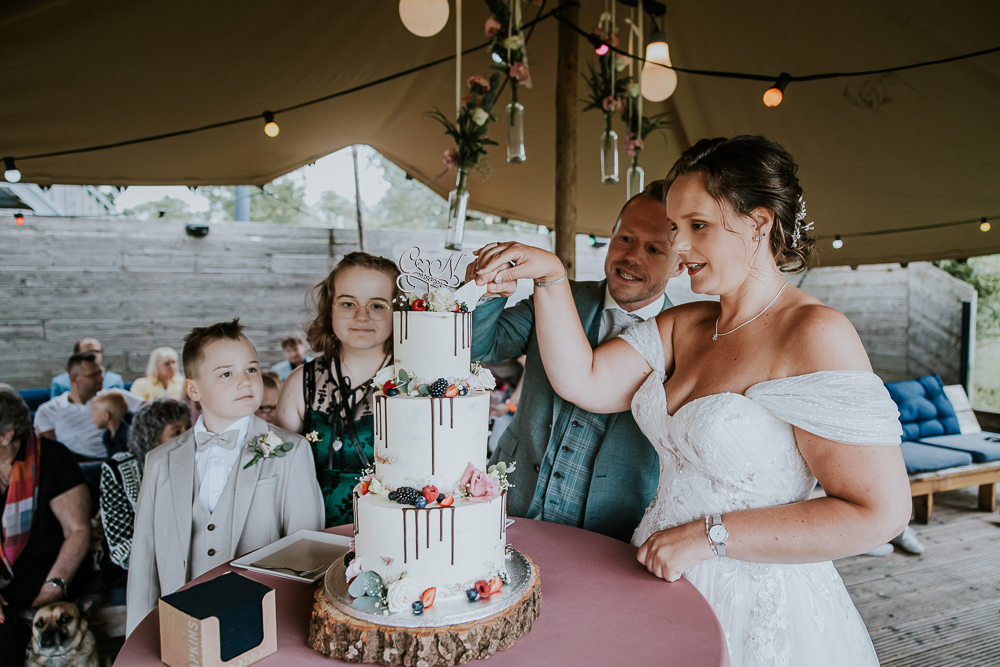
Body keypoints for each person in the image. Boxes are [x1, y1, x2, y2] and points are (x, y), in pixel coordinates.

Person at [473, 135, 912, 666]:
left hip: (753, 600)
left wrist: (711, 537)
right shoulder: (684, 324)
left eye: (696, 227)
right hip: (652, 576)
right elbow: (583, 379)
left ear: (759, 222)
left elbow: (879, 513)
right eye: (676, 230)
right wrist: (550, 275)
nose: (679, 248)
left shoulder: (815, 332)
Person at [467, 181, 683, 542]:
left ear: (679, 265)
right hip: (514, 501)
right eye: (625, 238)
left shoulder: (684, 338)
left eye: (655, 249)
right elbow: (476, 349)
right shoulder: (557, 297)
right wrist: (490, 295)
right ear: (610, 235)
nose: (632, 257)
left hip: (613, 528)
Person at [126, 319, 323, 635]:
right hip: (181, 627)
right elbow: (144, 564)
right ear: (193, 388)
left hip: (262, 626)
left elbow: (306, 558)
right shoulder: (160, 461)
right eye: (226, 374)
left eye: (252, 370)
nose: (245, 382)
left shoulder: (291, 452)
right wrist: (138, 640)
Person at [276, 252, 399, 528]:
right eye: (347, 303)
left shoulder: (418, 385)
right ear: (329, 308)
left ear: (398, 312)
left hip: (393, 539)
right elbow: (281, 479)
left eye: (377, 305)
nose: (361, 315)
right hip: (310, 537)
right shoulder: (299, 384)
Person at [0, 387, 92, 662]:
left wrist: (52, 588)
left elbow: (78, 530)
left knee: (9, 635)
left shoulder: (52, 458)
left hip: (49, 572)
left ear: (6, 436)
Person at [100, 399, 191, 572]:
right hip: (139, 570)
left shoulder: (199, 463)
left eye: (189, 428)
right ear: (152, 438)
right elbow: (121, 548)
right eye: (176, 432)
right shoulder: (119, 469)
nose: (187, 436)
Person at [35, 352, 115, 460]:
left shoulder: (114, 397)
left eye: (101, 373)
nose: (101, 378)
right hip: (72, 464)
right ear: (74, 379)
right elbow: (49, 452)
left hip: (112, 460)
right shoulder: (48, 410)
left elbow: (145, 408)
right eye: (93, 375)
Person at [49, 338, 124, 399]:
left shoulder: (115, 380)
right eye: (89, 352)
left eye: (97, 351)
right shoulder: (59, 382)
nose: (94, 355)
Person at [90, 392, 130, 458]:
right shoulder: (106, 436)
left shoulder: (127, 436)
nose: (92, 418)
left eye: (93, 414)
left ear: (106, 416)